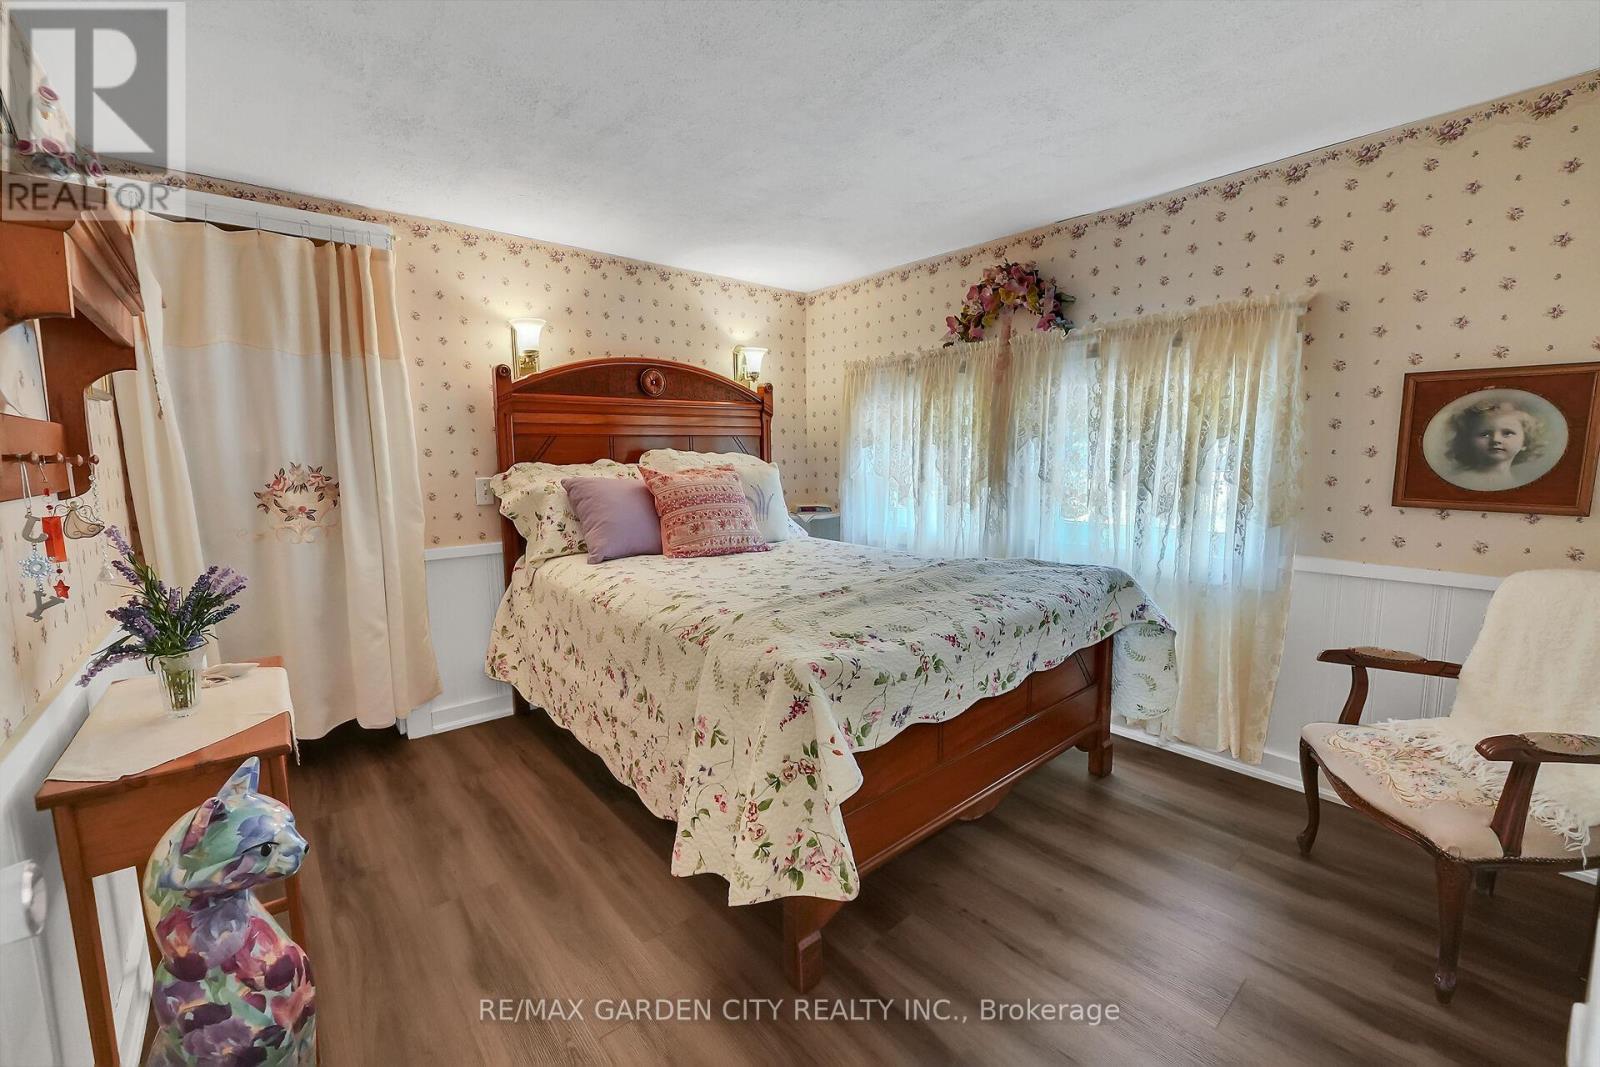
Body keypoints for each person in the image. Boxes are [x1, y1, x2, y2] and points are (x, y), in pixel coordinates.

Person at [1441, 397, 1546, 490]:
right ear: (1469, 441)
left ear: (1525, 442)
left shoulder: (1516, 483)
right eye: (1485, 434)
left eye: (1507, 433)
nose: (1496, 440)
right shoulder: (1462, 481)